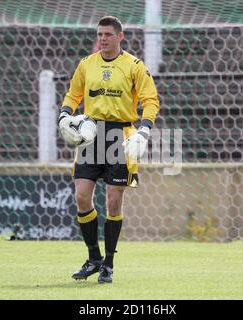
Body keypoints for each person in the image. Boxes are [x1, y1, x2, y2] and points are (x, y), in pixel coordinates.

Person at [58, 16, 160, 283]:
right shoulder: (86, 65)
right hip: (91, 135)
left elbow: (151, 101)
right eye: (99, 34)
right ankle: (94, 258)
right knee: (82, 196)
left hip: (121, 136)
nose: (102, 39)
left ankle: (109, 264)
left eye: (107, 34)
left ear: (120, 37)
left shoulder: (135, 66)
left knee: (113, 201)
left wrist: (144, 130)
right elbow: (73, 94)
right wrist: (64, 116)